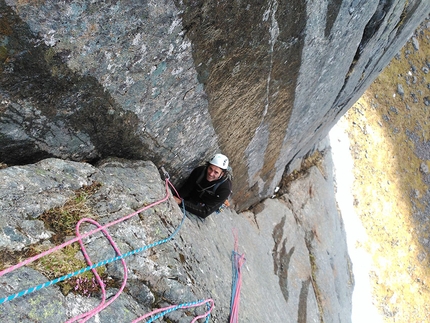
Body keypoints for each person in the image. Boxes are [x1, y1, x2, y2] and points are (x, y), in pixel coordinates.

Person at [173, 153, 232, 219]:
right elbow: (186, 188)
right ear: (208, 166)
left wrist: (181, 202)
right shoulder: (199, 171)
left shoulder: (224, 189)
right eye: (210, 168)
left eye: (216, 172)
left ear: (222, 174)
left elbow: (204, 212)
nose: (211, 174)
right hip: (194, 195)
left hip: (207, 202)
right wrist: (175, 198)